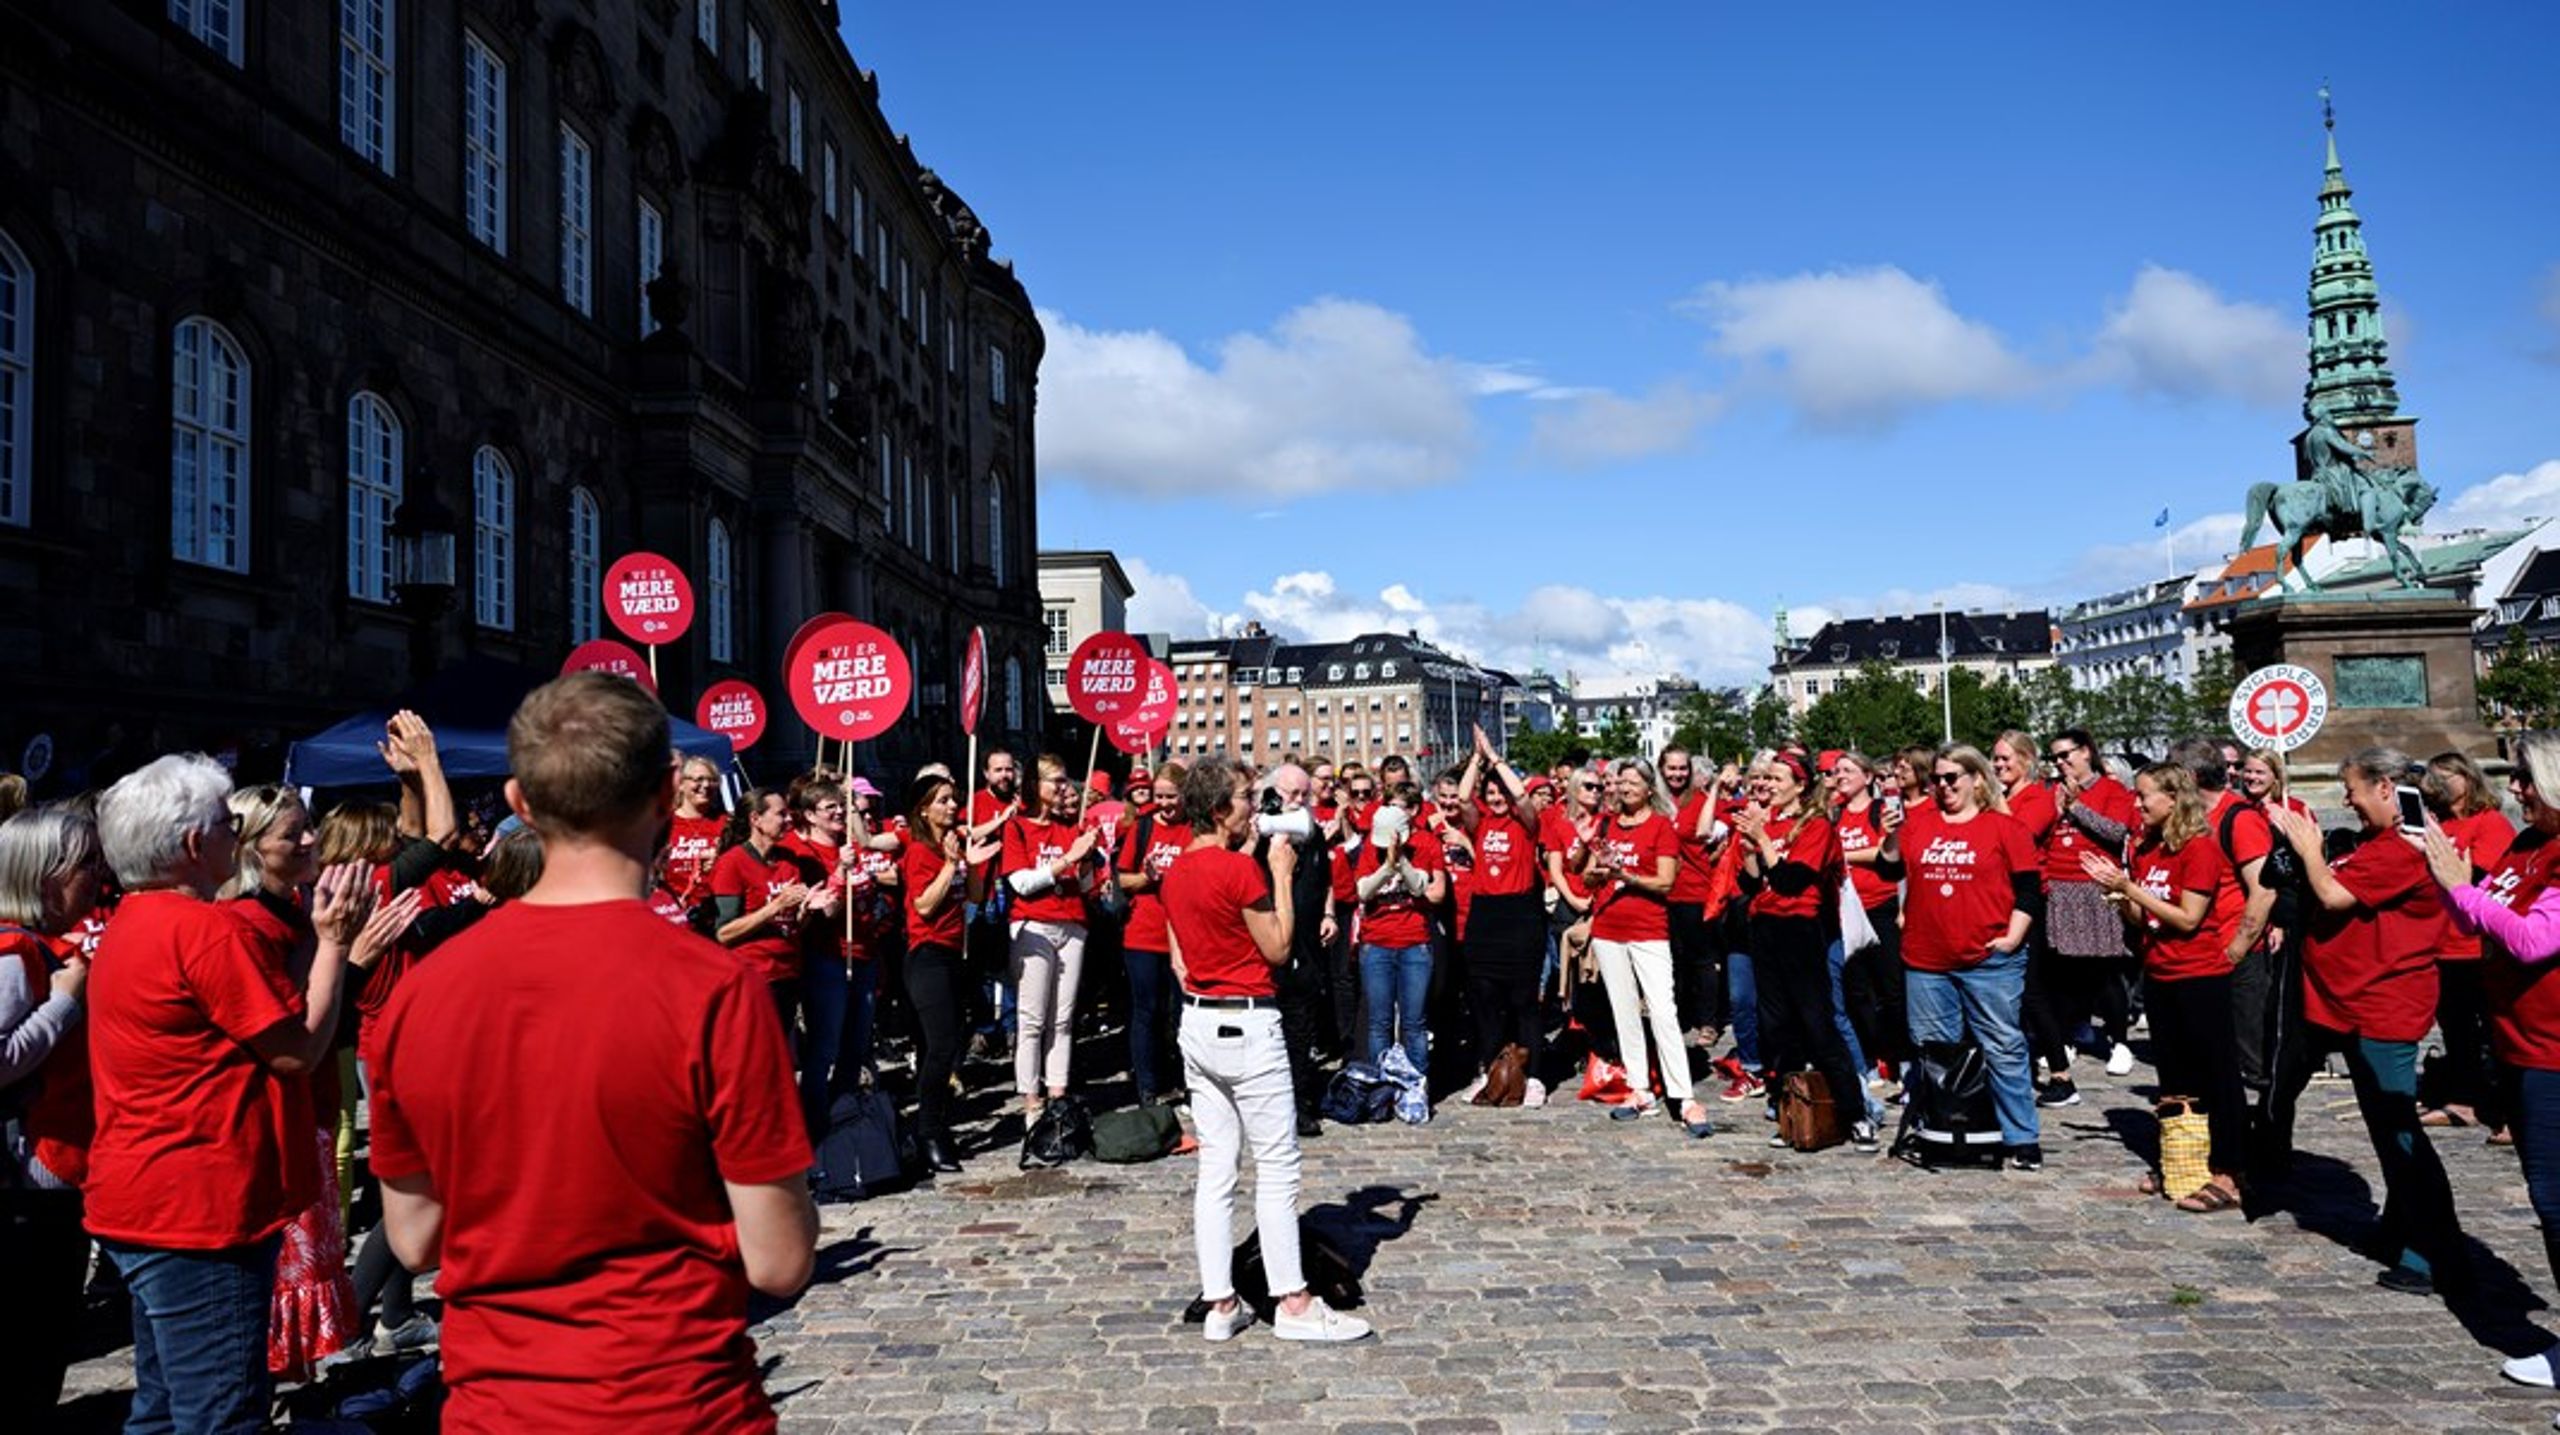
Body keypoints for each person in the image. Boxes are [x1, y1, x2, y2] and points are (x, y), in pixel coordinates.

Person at [367, 671, 819, 1427]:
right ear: (669, 791)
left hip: (500, 1403)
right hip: (676, 1401)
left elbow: (413, 1239)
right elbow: (779, 1258)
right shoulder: (712, 987)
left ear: (519, 802)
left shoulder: (422, 991)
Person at [87, 754, 366, 1431]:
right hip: (200, 1209)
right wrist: (336, 943)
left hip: (147, 1195)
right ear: (191, 844)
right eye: (223, 825)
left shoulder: (136, 917)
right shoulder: (203, 930)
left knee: (159, 1408)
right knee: (222, 1413)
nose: (232, 838)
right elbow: (297, 1048)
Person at [1161, 757, 1371, 1343]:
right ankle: (1295, 1303)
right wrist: (1278, 872)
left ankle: (1221, 1301)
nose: (1255, 806)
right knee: (1277, 1167)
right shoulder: (1242, 872)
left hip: (1200, 1023)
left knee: (1217, 1169)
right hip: (1247, 1025)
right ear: (1220, 810)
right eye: (1245, 797)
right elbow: (1278, 947)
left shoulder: (1178, 870)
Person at [2262, 746, 2465, 1296]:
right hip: (2354, 1003)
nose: (2347, 799)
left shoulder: (2406, 845)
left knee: (2401, 1135)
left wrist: (2307, 846)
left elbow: (2332, 892)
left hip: (2384, 1006)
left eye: (2352, 788)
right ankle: (2403, 1229)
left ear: (2384, 788)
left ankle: (2431, 1250)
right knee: (2385, 1130)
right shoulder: (2382, 840)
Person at [2412, 734, 2560, 1390]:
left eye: (2528, 778)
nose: (2518, 789)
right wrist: (2449, 881)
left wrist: (2461, 887)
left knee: (2558, 1203)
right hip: (2522, 1047)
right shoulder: (2527, 845)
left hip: (2556, 1052)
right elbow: (2479, 918)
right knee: (2548, 1202)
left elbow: (2532, 940)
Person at [2082, 763, 2244, 1212]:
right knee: (2175, 1077)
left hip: (2199, 975)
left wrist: (2129, 888)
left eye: (2144, 796)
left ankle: (2230, 1171)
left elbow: (2188, 918)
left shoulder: (2199, 848)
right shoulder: (2149, 848)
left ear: (2173, 799)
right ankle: (2184, 1160)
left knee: (2217, 1078)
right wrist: (2119, 899)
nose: (2137, 804)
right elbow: (2145, 920)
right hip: (2160, 972)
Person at [1880, 744, 2044, 1169]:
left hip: (1989, 959)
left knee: (2002, 1045)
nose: (1944, 786)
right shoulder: (1919, 824)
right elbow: (1888, 869)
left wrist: (2013, 937)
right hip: (1927, 959)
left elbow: (2029, 889)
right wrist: (1892, 833)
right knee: (1936, 1051)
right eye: (1937, 779)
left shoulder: (2004, 828)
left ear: (1976, 779)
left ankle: (2021, 1137)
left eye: (1953, 777)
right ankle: (1947, 1129)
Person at [0, 805, 100, 1416]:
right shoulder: (15, 952)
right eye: (83, 864)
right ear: (44, 876)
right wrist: (64, 1003)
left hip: (45, 1171)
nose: (97, 875)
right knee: (32, 1335)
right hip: (29, 1179)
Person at [1739, 751, 1874, 1150]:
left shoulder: (1815, 826)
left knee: (1818, 1025)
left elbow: (1793, 880)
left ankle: (1856, 1114)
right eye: (1765, 779)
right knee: (1777, 1027)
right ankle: (1793, 1112)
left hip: (1800, 929)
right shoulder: (1771, 822)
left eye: (1777, 779)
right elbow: (1753, 883)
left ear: (1800, 785)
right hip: (1765, 927)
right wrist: (1751, 847)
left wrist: (1763, 840)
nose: (1769, 786)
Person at [1586, 756, 1713, 1137]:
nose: (1624, 789)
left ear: (1648, 788)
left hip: (1648, 927)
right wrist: (1595, 875)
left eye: (1632, 783)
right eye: (1620, 783)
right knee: (1624, 1011)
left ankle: (1683, 1095)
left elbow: (1665, 882)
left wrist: (1626, 875)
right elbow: (1592, 876)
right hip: (1609, 926)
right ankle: (1639, 1088)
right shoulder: (1607, 824)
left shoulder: (1661, 827)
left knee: (1662, 1010)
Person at [2034, 728, 2143, 1097]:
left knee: (2104, 969)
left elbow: (2115, 833)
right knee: (2063, 969)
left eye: (2066, 755)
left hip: (2097, 887)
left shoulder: (2113, 792)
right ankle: (2067, 1034)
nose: (2061, 763)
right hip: (2060, 888)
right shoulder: (2051, 793)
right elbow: (2042, 837)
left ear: (2086, 753)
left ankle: (2119, 1040)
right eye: (2055, 757)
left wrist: (2076, 808)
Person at [902, 773, 1001, 1173]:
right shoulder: (918, 852)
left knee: (950, 1042)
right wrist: (949, 863)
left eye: (953, 798)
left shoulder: (956, 842)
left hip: (956, 951)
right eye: (943, 799)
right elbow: (924, 905)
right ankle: (928, 1130)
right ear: (924, 807)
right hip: (926, 954)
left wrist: (970, 863)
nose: (951, 806)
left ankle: (938, 1121)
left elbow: (975, 896)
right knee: (941, 1045)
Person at [2170, 739, 2280, 1096]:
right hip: (2205, 956)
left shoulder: (2239, 819)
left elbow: (2263, 891)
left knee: (2250, 1058)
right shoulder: (2195, 819)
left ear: (2188, 776)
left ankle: (2262, 1137)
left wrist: (2236, 948)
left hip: (2237, 955)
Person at [1453, 727, 1550, 1107]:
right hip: (1486, 916)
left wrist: (1495, 758)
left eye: (1501, 794)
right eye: (1491, 794)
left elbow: (1524, 796)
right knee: (1486, 1000)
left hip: (1520, 916)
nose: (1497, 800)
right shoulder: (1481, 826)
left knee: (1525, 1002)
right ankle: (1489, 1071)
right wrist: (1476, 761)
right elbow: (1462, 797)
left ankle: (1535, 1076)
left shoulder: (1524, 824)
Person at [2419, 752, 2515, 1134]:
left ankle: (2507, 1111)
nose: (2438, 782)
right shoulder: (2436, 822)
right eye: (2433, 775)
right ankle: (2465, 1100)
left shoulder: (2489, 823)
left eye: (2446, 776)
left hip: (2476, 945)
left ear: (2468, 779)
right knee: (2456, 1031)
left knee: (2493, 1032)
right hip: (2441, 944)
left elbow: (2488, 879)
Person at [1002, 755, 1103, 1115]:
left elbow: (1087, 885)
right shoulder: (1017, 827)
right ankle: (1032, 1100)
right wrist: (1065, 860)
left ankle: (1058, 1096)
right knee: (1032, 1019)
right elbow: (1022, 882)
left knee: (1062, 1018)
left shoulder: (1070, 828)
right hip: (1034, 925)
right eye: (1055, 781)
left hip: (1072, 924)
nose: (1063, 788)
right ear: (1035, 785)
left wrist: (1087, 858)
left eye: (1065, 781)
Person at [1355, 781, 1445, 1078]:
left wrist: (1401, 860)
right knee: (1379, 1022)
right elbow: (1364, 892)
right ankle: (1383, 1083)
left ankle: (1416, 1083)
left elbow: (1422, 887)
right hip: (1377, 942)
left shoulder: (1426, 844)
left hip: (1414, 942)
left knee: (1414, 1022)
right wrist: (1386, 867)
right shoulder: (1369, 846)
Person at [1830, 752, 1910, 1082]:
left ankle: (1903, 1056)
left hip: (1880, 906)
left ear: (1867, 776)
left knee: (1891, 989)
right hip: (1847, 910)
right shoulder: (1834, 815)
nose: (1840, 775)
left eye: (1848, 770)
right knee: (1857, 991)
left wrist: (1843, 854)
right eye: (1837, 771)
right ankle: (1871, 1055)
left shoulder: (1879, 811)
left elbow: (1886, 852)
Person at [1115, 764, 1191, 1106]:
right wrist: (1146, 877)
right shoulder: (1142, 827)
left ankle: (1185, 1080)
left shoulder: (1194, 828)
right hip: (1144, 934)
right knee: (1147, 1011)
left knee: (1183, 1013)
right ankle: (1148, 1086)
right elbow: (1123, 880)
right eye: (1159, 796)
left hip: (1185, 934)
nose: (1163, 804)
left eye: (1170, 797)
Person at [712, 787, 812, 1023]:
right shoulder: (732, 863)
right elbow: (723, 933)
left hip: (788, 970)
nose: (788, 820)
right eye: (781, 814)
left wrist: (808, 909)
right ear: (756, 819)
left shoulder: (788, 859)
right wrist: (775, 906)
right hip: (756, 974)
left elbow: (794, 924)